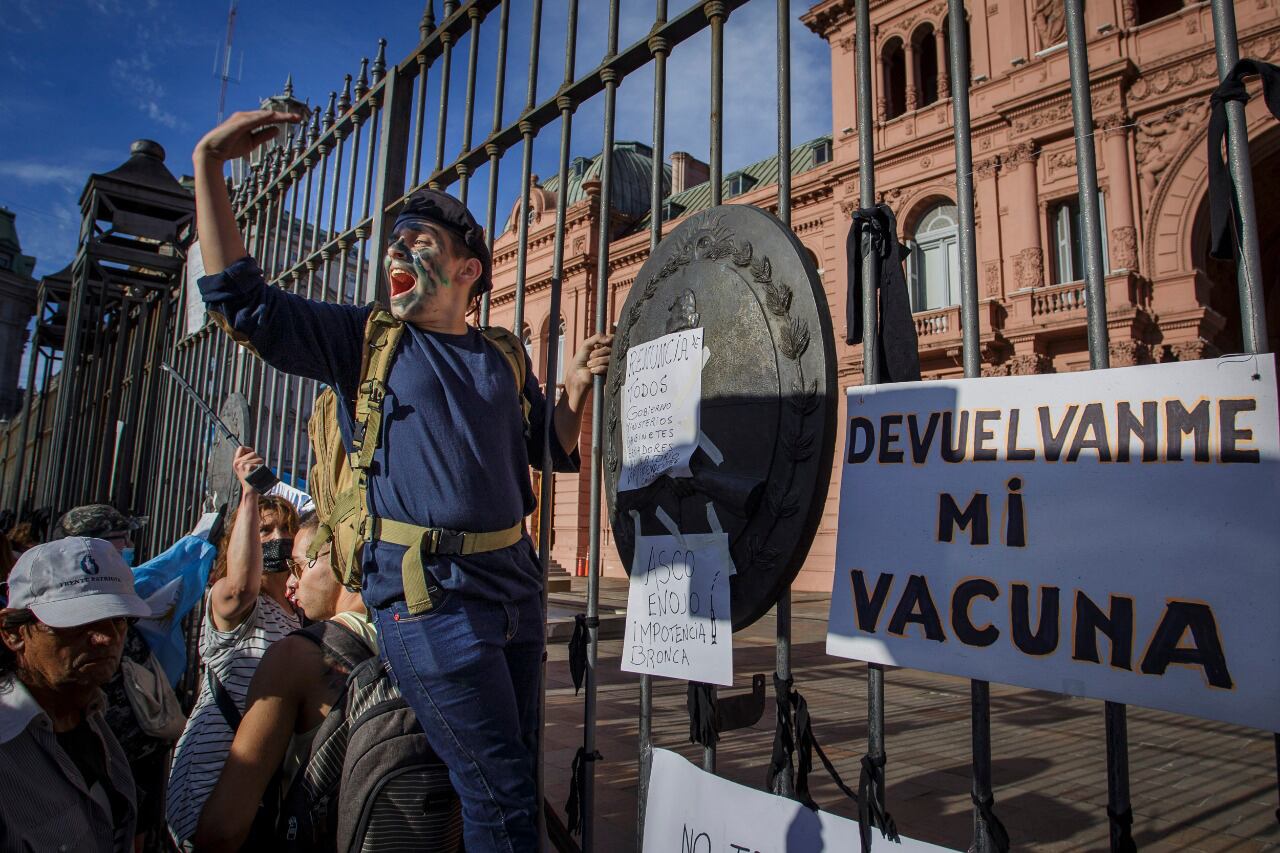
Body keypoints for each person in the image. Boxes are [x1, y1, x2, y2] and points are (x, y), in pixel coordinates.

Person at [194, 109, 613, 851]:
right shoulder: (365, 342)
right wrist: (209, 165)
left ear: (467, 271)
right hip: (429, 602)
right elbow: (242, 301)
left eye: (421, 242)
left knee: (507, 776)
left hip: (514, 590)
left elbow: (550, 447)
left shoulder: (502, 356)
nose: (399, 251)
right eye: (396, 242)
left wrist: (575, 385)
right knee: (503, 795)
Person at [192, 513, 374, 851]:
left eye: (298, 567)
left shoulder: (298, 655)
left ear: (337, 557)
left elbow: (222, 829)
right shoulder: (417, 640)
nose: (292, 582)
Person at [165, 446, 301, 844]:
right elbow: (243, 584)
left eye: (286, 530)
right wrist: (249, 494)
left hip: (262, 786)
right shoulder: (231, 602)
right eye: (265, 530)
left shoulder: (300, 614)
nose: (280, 538)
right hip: (213, 774)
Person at [0, 537, 153, 853]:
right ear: (14, 633)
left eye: (118, 620)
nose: (106, 637)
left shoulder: (93, 718)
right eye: (77, 623)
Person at [54, 504, 171, 852]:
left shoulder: (126, 585)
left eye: (117, 624)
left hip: (132, 748)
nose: (106, 637)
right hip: (103, 746)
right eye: (122, 538)